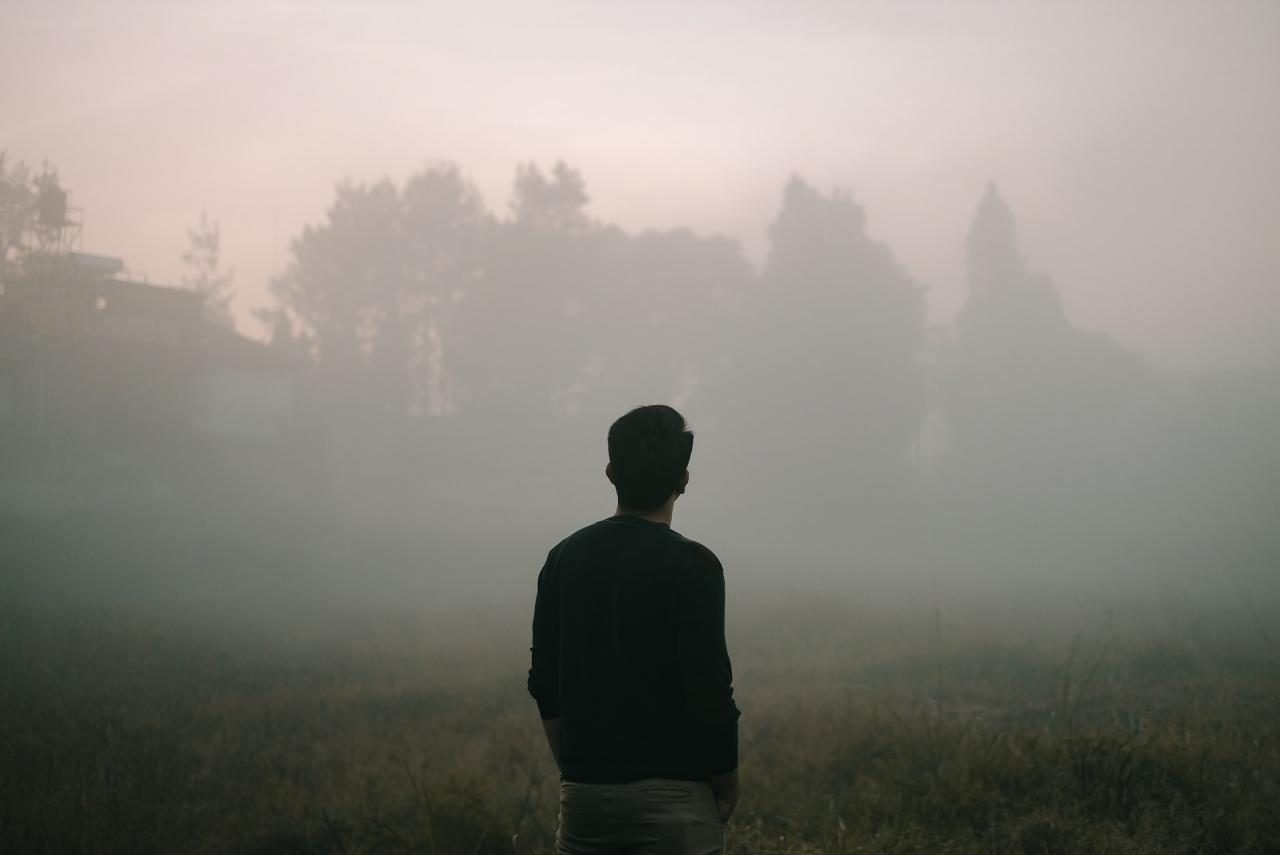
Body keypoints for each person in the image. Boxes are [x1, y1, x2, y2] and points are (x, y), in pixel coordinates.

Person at [528, 404, 741, 855]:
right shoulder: (695, 566)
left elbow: (544, 681)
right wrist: (726, 785)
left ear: (610, 472)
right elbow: (708, 689)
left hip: (584, 801)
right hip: (677, 803)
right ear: (683, 480)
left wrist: (575, 772)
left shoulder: (563, 558)